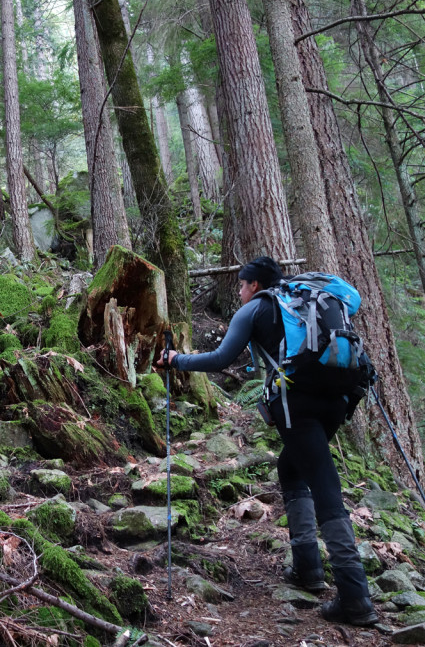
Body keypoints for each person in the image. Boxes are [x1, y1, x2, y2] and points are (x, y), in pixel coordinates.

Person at [155, 256, 378, 627]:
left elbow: (221, 358)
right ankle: (308, 568)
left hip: (297, 403)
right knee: (291, 468)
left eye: (241, 285)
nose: (240, 292)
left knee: (324, 483)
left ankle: (355, 597)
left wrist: (176, 360)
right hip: (338, 399)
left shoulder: (256, 308)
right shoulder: (309, 301)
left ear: (254, 285)